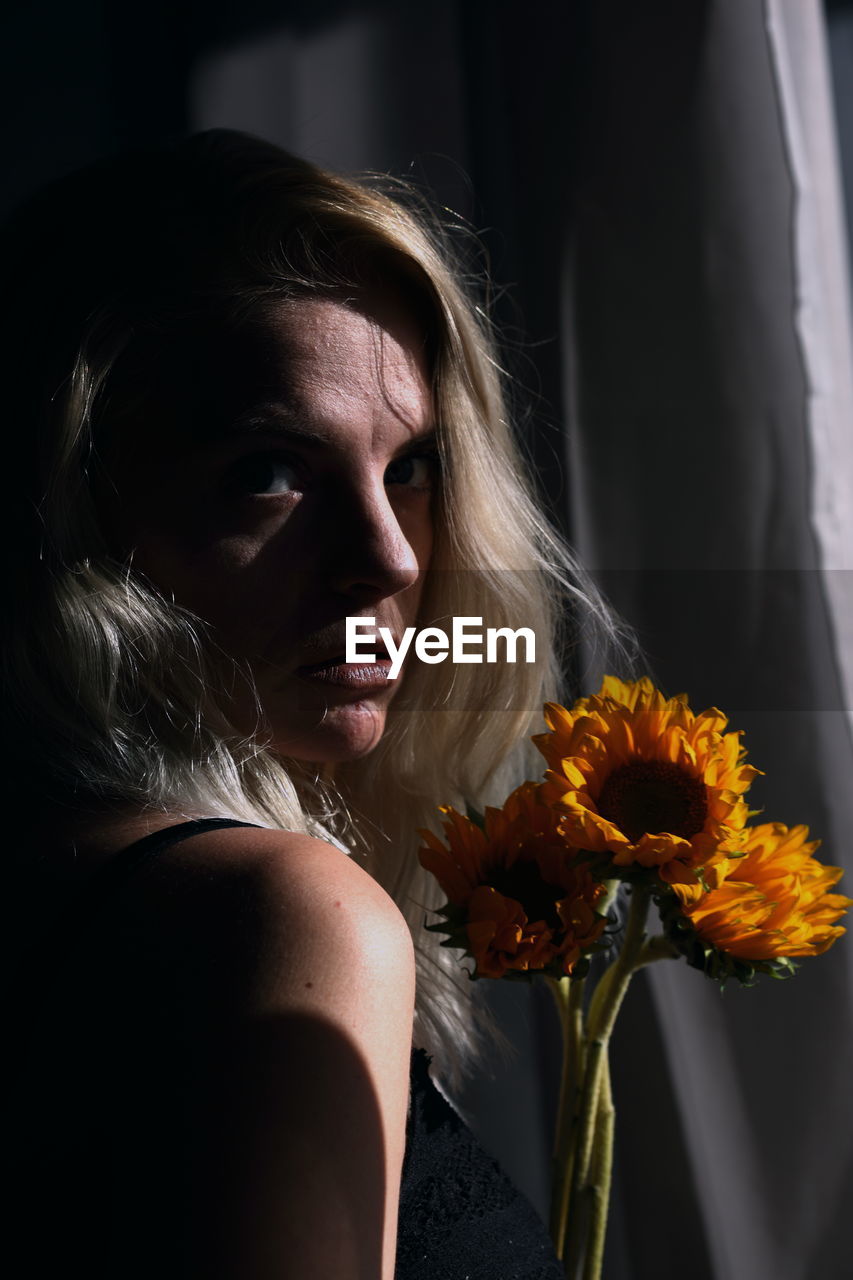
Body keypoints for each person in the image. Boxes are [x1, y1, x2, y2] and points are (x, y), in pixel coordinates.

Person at [3, 129, 621, 1279]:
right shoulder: (277, 916)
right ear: (66, 506)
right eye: (267, 471)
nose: (385, 559)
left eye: (411, 468)